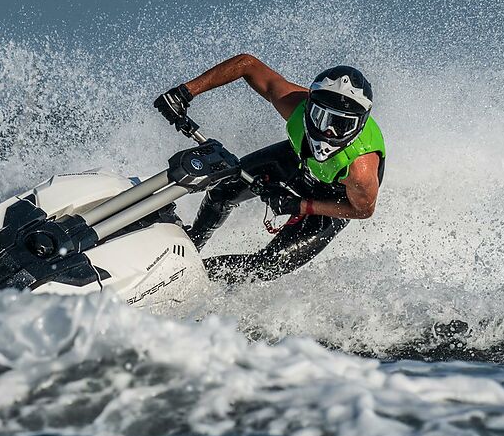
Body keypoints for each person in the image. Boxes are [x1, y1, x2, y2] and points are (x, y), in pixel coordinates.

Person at [153, 54, 385, 282]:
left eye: (342, 125)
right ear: (308, 106)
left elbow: (362, 210)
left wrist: (302, 205)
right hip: (297, 162)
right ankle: (189, 248)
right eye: (321, 117)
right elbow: (247, 64)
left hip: (332, 200)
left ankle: (193, 278)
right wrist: (185, 92)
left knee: (268, 266)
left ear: (360, 125)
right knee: (223, 192)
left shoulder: (360, 170)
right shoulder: (294, 104)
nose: (328, 132)